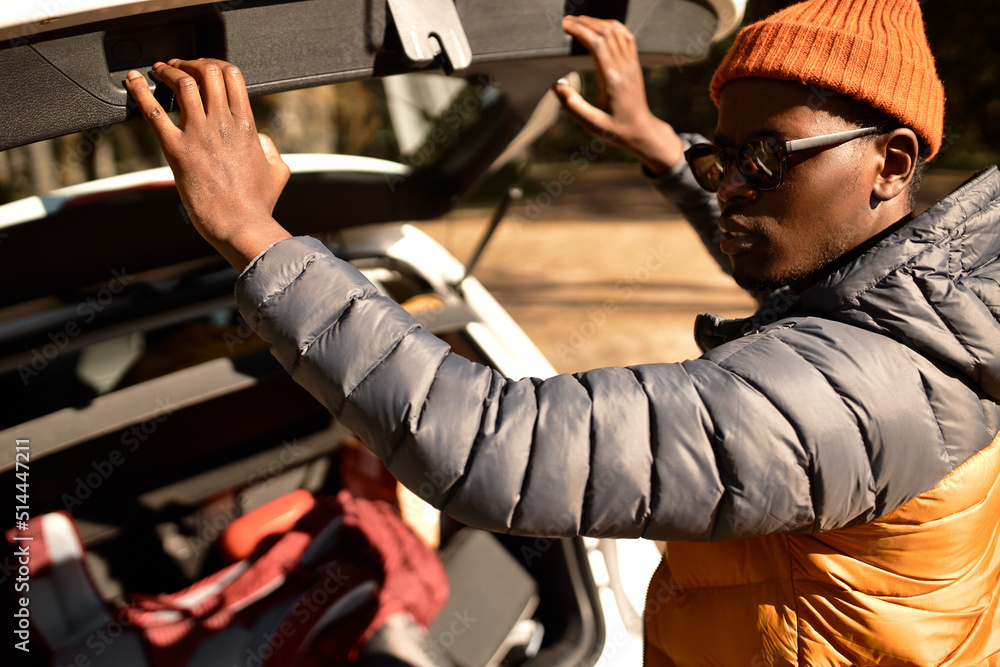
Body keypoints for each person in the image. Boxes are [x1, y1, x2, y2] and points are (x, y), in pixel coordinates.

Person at [124, 0, 999, 662]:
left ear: (891, 162)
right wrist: (664, 149)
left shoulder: (854, 395)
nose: (732, 186)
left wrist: (254, 236)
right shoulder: (926, 300)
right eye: (719, 157)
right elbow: (804, 262)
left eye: (765, 157)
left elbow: (500, 447)